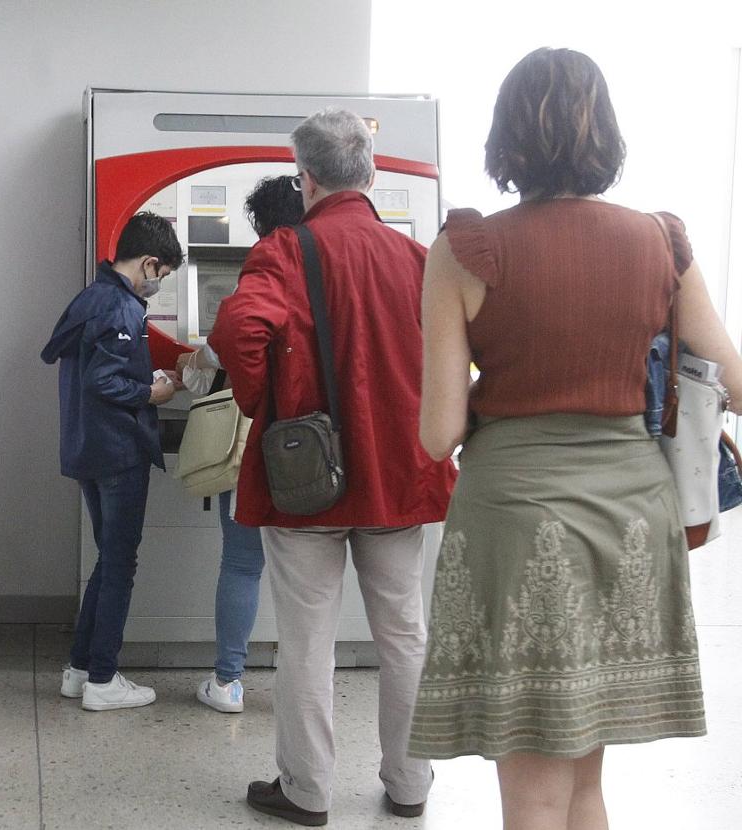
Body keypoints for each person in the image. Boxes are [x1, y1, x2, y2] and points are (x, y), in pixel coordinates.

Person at [411, 47, 738, 830]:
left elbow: (439, 433)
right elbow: (733, 375)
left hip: (517, 519)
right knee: (585, 782)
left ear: (505, 136)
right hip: (632, 514)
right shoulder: (663, 241)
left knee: (532, 792)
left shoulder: (466, 250)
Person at [210, 109, 457, 825]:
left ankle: (307, 792)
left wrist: (268, 403)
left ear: (306, 177)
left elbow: (238, 328)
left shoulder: (286, 250)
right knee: (404, 634)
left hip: (306, 485)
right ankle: (410, 785)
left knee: (308, 642)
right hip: (397, 479)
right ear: (372, 175)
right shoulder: (414, 259)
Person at [41, 212, 183, 711]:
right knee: (121, 562)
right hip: (118, 450)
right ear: (148, 262)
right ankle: (104, 679)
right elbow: (106, 381)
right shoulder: (121, 307)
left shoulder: (90, 298)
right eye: (161, 276)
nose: (158, 287)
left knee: (110, 557)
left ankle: (80, 670)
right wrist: (153, 391)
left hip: (86, 447)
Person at [175, 175, 303, 714]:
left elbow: (221, 348)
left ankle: (228, 682)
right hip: (322, 451)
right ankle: (303, 685)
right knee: (307, 574)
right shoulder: (333, 269)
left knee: (242, 564)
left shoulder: (263, 271)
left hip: (253, 445)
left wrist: (190, 367)